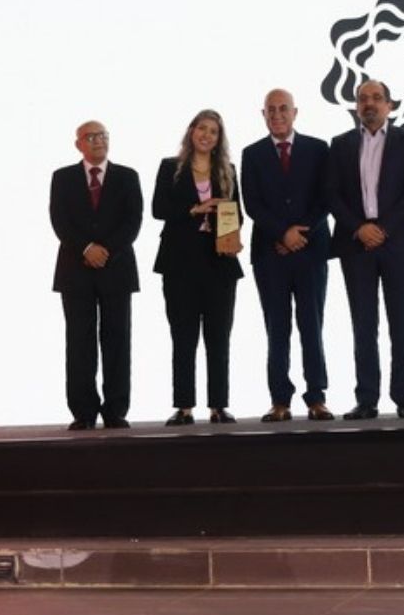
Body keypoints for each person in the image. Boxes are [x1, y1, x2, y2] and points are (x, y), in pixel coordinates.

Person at [325, 79, 404, 419]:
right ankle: (367, 399)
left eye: (376, 98)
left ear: (390, 105)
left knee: (403, 322)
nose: (369, 103)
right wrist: (360, 228)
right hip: (356, 243)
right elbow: (332, 194)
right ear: (356, 106)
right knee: (363, 325)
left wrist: (383, 228)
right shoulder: (340, 144)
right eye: (363, 99)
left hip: (399, 242)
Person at [241, 88, 333, 421]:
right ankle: (280, 400)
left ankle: (316, 397)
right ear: (263, 115)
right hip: (270, 253)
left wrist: (299, 234)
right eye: (271, 110)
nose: (277, 115)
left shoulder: (318, 149)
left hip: (311, 251)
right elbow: (252, 203)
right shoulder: (252, 154)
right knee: (276, 329)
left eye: (283, 109)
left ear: (295, 112)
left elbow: (326, 198)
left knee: (312, 325)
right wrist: (282, 234)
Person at [49, 120, 143, 430]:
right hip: (75, 271)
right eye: (90, 137)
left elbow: (133, 222)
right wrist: (87, 248)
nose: (98, 141)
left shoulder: (127, 176)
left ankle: (115, 410)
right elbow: (59, 220)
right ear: (78, 144)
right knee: (79, 341)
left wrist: (106, 251)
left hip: (117, 270)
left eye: (102, 135)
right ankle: (83, 411)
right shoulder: (62, 178)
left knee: (117, 340)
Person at [152, 109, 243, 425]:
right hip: (179, 263)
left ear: (219, 139)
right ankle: (184, 406)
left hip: (220, 264)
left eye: (213, 131)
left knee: (219, 338)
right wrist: (196, 209)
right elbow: (159, 209)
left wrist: (230, 230)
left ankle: (218, 405)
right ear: (192, 131)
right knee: (183, 336)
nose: (207, 135)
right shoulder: (170, 167)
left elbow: (238, 214)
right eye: (202, 128)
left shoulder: (228, 170)